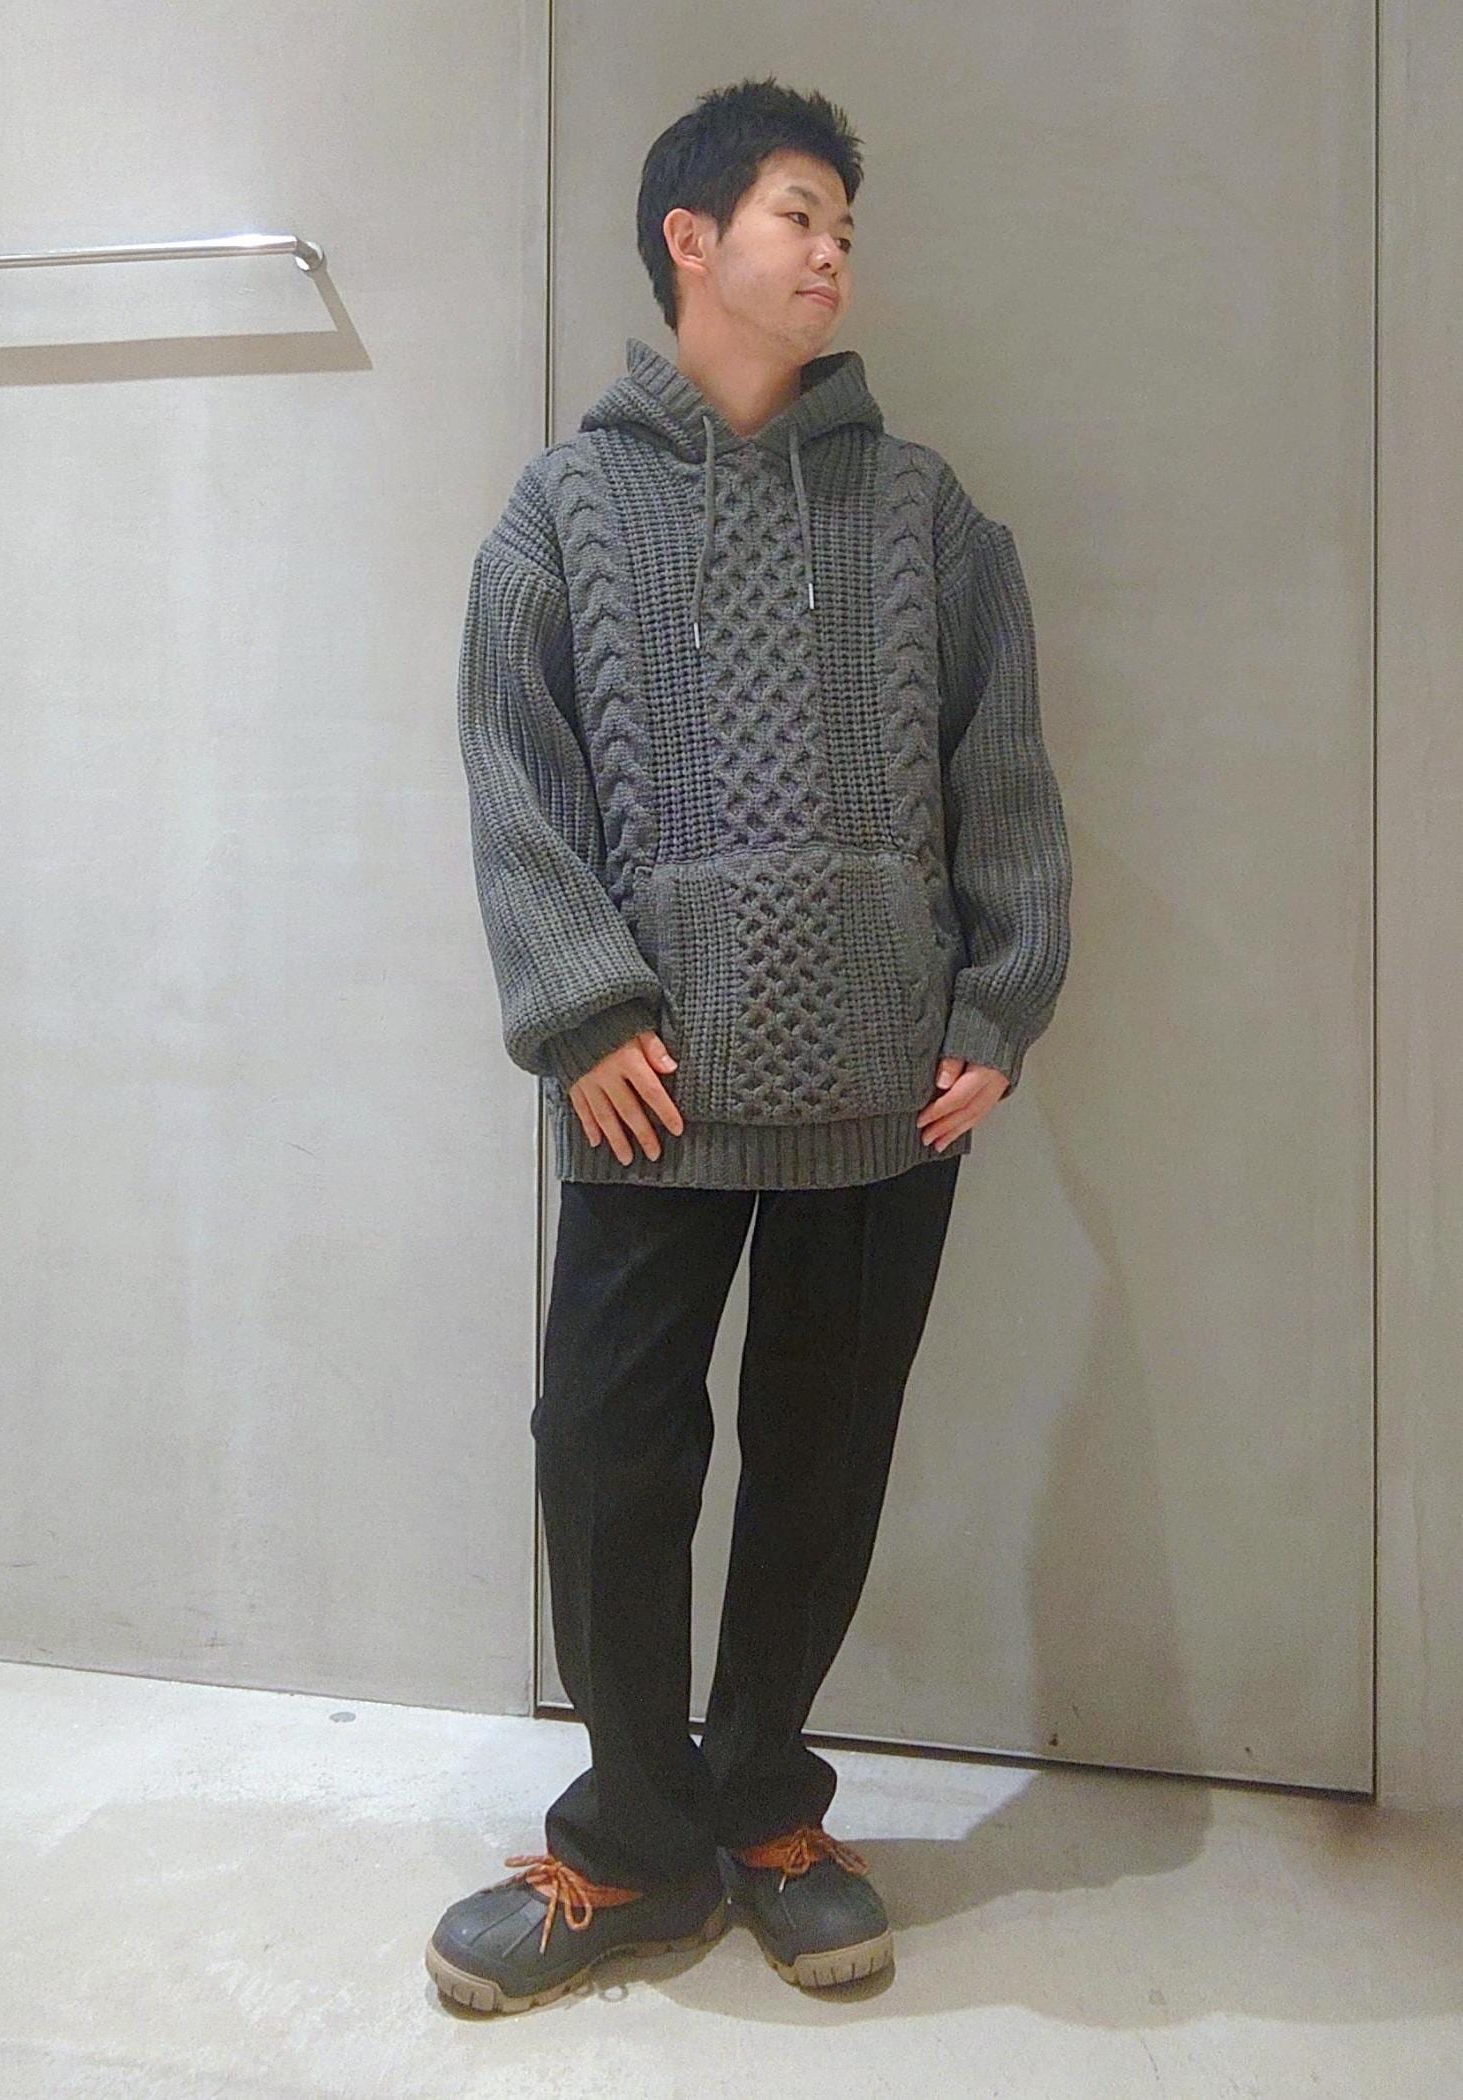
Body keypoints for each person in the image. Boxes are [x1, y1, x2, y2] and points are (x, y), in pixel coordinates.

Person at [426, 75, 1072, 2016]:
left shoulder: (929, 514)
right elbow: (514, 773)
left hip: (888, 1092)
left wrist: (999, 1004)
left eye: (847, 228)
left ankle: (769, 1806)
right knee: (606, 1450)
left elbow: (1007, 777)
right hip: (656, 1086)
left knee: (824, 1454)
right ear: (692, 239)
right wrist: (581, 1004)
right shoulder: (565, 509)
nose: (833, 253)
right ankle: (631, 1844)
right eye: (802, 215)